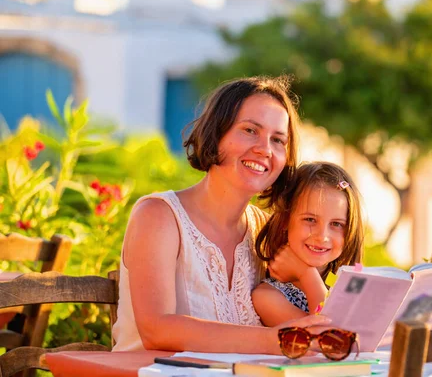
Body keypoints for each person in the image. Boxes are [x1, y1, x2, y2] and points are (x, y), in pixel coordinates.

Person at [112, 76, 330, 353]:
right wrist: (277, 340)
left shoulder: (265, 231)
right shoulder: (159, 216)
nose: (264, 149)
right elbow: (157, 329)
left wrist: (305, 272)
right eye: (250, 130)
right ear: (217, 133)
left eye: (278, 140)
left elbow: (324, 323)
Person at [252, 161, 364, 327]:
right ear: (285, 220)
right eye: (310, 220)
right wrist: (306, 273)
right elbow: (330, 337)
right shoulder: (267, 297)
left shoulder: (348, 291)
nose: (322, 236)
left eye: (336, 224)